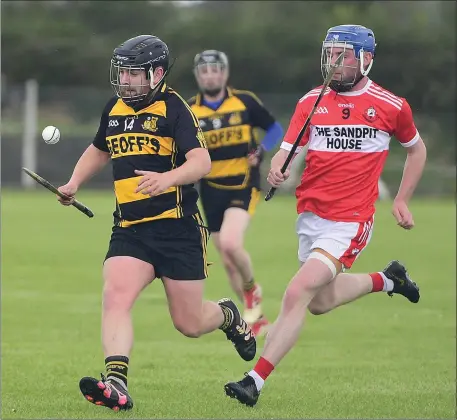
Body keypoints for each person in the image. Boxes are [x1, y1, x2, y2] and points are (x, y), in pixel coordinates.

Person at [224, 24, 427, 407]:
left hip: (352, 219)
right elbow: (286, 150)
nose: (334, 62)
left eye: (343, 55)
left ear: (365, 59)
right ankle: (389, 279)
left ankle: (255, 381)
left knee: (298, 292)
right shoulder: (310, 101)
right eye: (330, 53)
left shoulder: (391, 105)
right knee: (318, 301)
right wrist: (277, 168)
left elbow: (417, 151)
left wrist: (401, 199)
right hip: (311, 216)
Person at [56, 35, 256, 412]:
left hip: (177, 228)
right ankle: (116, 383)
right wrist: (73, 183)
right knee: (115, 294)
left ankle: (228, 315)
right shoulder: (114, 108)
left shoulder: (175, 108)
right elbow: (100, 149)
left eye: (134, 73)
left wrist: (167, 179)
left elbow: (201, 162)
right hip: (130, 228)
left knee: (190, 323)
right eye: (123, 72)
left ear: (157, 73)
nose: (125, 80)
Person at [188, 50, 284, 337]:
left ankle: (252, 289)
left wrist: (261, 150)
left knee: (231, 243)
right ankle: (254, 318)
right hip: (210, 190)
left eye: (215, 70)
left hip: (243, 185)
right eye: (204, 71)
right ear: (198, 76)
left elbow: (274, 128)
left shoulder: (244, 101)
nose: (210, 76)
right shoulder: (191, 110)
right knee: (228, 263)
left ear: (225, 73)